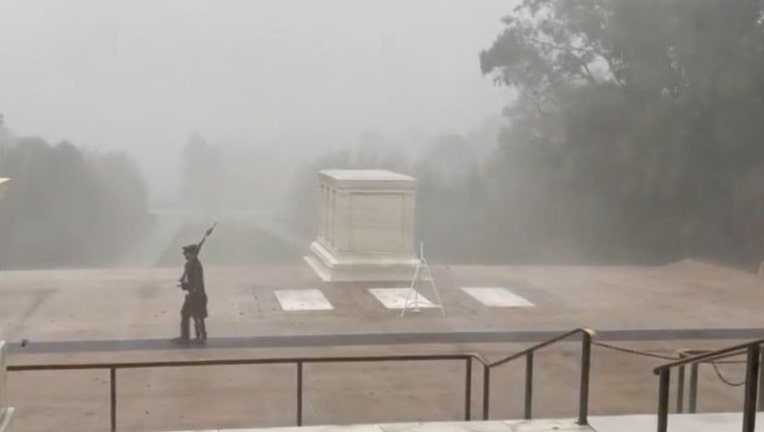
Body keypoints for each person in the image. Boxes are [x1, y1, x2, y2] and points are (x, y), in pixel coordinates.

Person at [175, 243, 208, 343]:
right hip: (194, 294)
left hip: (196, 295)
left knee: (197, 316)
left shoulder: (195, 265)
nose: (184, 254)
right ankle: (191, 336)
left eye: (186, 252)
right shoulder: (190, 264)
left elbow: (196, 283)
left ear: (191, 253)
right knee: (192, 315)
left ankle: (199, 336)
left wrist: (185, 285)